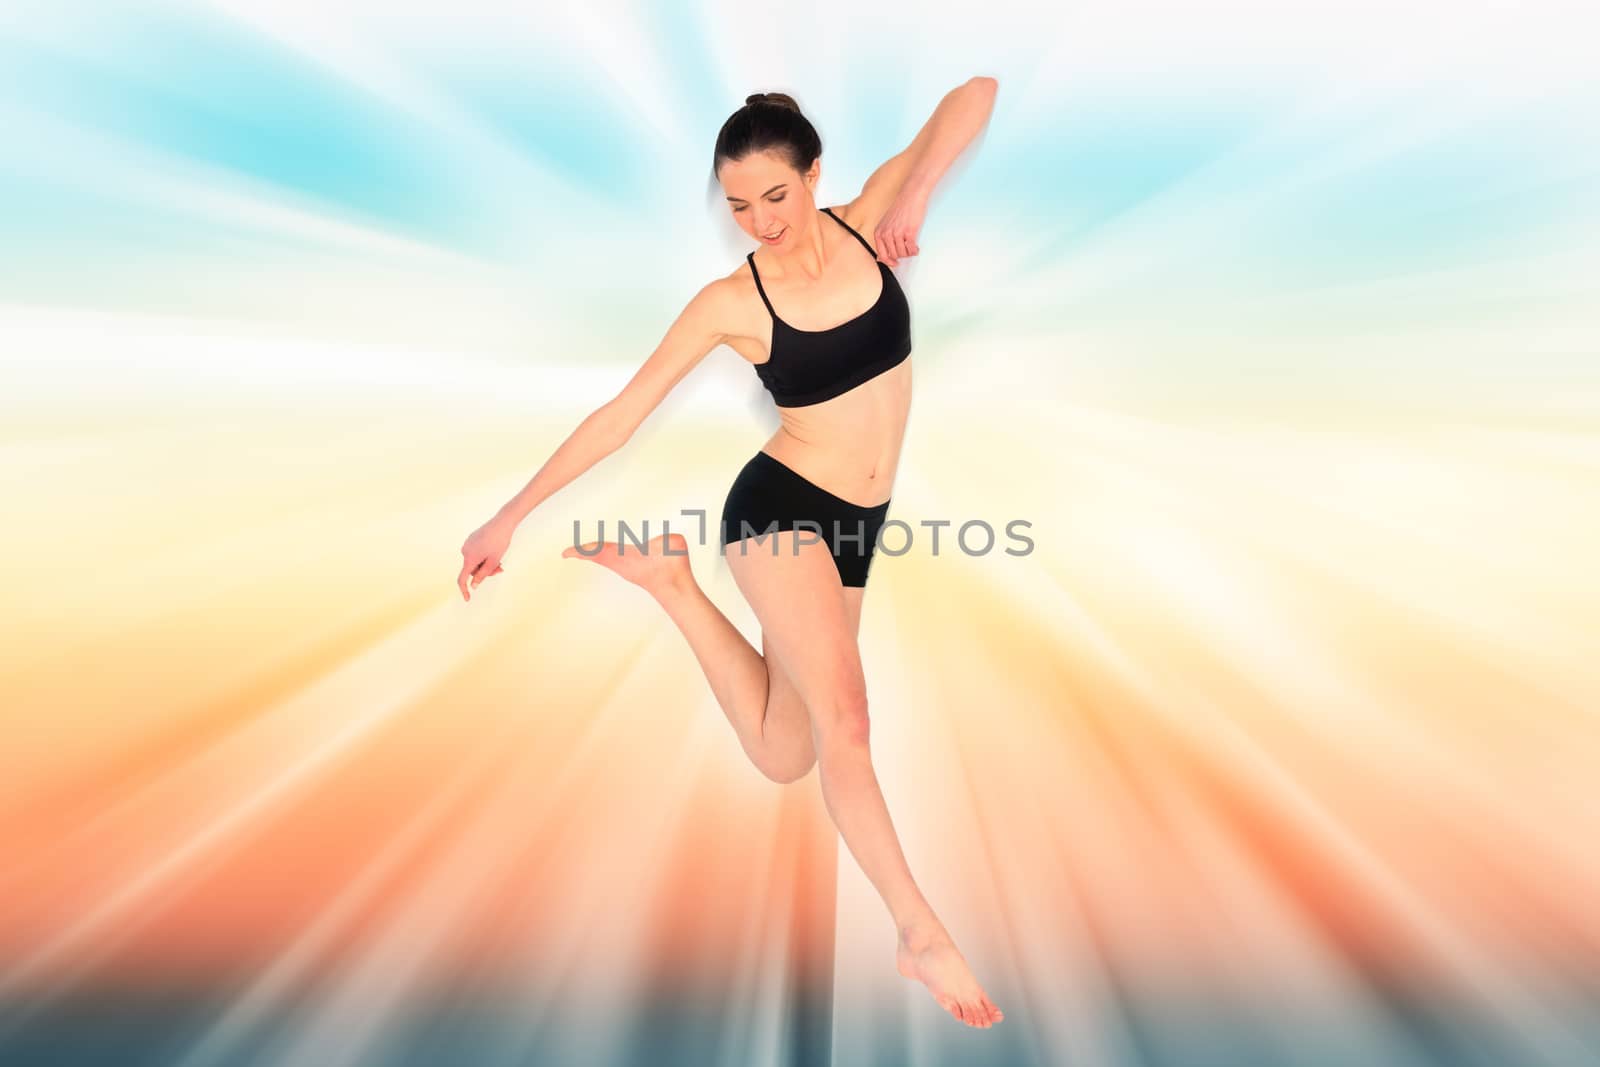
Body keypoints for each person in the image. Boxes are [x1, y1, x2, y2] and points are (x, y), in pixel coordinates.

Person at [457, 80, 1003, 1030]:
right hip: (781, 511)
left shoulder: (869, 221)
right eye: (739, 206)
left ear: (814, 175)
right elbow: (623, 414)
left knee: (789, 751)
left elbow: (976, 94)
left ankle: (672, 583)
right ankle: (918, 929)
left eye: (776, 198)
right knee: (848, 720)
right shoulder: (730, 302)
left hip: (857, 529)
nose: (761, 223)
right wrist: (511, 513)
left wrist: (915, 192)